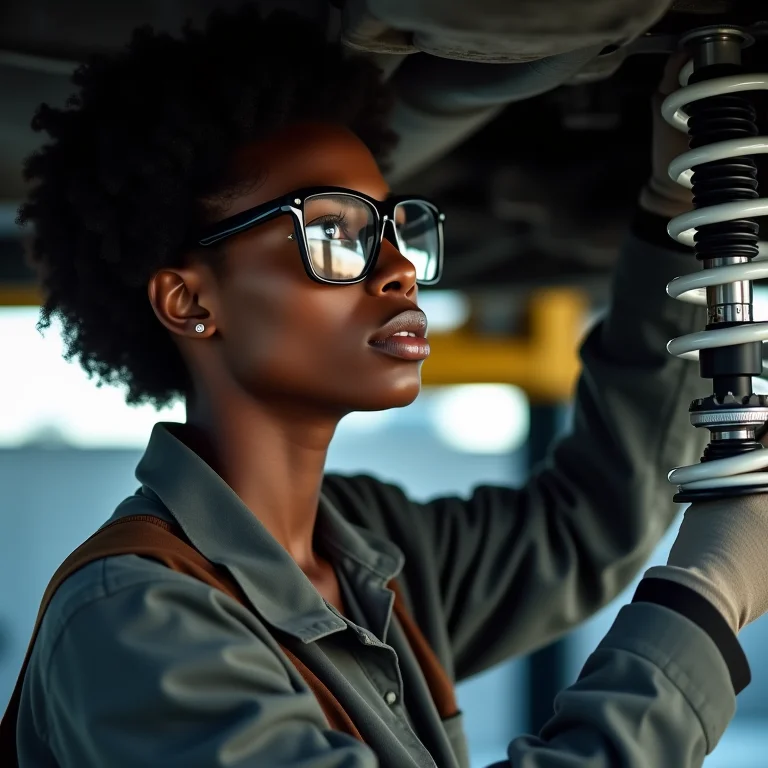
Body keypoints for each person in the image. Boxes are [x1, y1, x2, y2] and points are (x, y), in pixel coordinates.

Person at [6, 6, 767, 767]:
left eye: (396, 226)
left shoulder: (370, 547)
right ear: (191, 302)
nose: (399, 265)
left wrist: (676, 213)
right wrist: (702, 598)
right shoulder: (134, 620)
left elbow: (588, 525)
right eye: (335, 230)